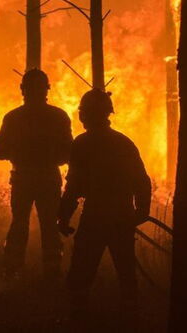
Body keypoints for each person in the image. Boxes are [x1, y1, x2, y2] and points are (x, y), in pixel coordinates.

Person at [57, 88, 151, 315]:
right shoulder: (124, 143)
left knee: (80, 276)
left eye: (83, 112)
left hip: (95, 218)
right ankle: (131, 320)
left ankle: (78, 321)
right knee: (127, 275)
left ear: (86, 114)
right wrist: (140, 212)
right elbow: (142, 180)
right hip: (122, 217)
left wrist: (63, 216)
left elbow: (74, 186)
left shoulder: (82, 143)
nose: (81, 116)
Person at [0, 68, 73, 278]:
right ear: (47, 89)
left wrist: (17, 151)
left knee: (20, 222)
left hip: (23, 179)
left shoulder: (13, 117)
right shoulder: (58, 116)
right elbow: (68, 153)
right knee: (49, 223)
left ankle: (12, 268)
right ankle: (51, 269)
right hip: (47, 178)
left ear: (22, 90)